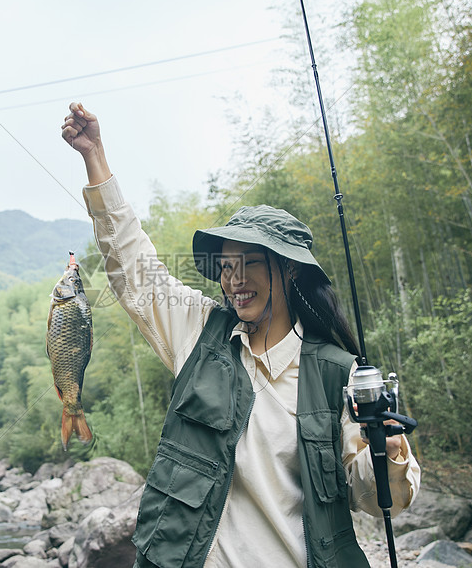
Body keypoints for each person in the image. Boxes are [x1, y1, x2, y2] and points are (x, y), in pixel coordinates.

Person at [61, 102, 420, 568]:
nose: (234, 279)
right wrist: (95, 156)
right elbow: (135, 269)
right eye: (227, 267)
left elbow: (374, 498)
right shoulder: (199, 333)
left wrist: (387, 452)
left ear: (289, 270)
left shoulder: (339, 374)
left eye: (249, 262)